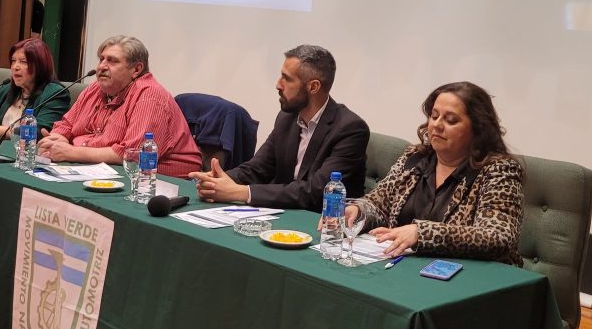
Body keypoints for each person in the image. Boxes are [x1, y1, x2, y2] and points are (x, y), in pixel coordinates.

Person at [349, 81, 523, 266]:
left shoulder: (499, 170)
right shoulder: (415, 157)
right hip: (405, 267)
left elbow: (498, 238)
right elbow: (379, 203)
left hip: (471, 278)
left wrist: (421, 233)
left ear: (477, 129)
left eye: (451, 120)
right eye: (434, 116)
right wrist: (358, 212)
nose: (437, 125)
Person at [189, 45, 368, 210]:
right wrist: (218, 180)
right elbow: (257, 168)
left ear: (313, 87)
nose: (278, 85)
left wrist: (240, 192)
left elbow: (316, 191)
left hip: (325, 226)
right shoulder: (287, 118)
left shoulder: (350, 129)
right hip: (282, 217)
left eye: (287, 79)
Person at [37, 35, 201, 177]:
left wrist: (71, 152)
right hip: (100, 169)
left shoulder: (149, 96)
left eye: (112, 61)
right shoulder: (96, 88)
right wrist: (58, 138)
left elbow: (133, 154)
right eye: (102, 59)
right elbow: (67, 124)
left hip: (158, 179)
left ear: (136, 69)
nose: (102, 66)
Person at [0, 38, 69, 137]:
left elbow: (39, 132)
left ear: (40, 66)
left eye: (23, 62)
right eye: (13, 61)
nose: (15, 67)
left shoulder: (55, 94)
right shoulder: (8, 89)